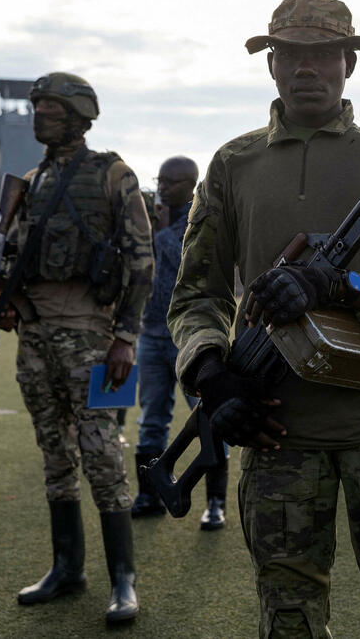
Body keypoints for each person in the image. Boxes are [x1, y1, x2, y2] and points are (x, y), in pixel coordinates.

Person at [167, 0, 360, 638]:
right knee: (289, 609)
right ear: (271, 65)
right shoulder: (232, 165)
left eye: (323, 53)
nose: (307, 68)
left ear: (348, 66)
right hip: (277, 432)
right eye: (292, 54)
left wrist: (343, 283)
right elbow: (197, 294)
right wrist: (212, 376)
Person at [5, 72, 153, 624]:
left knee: (103, 452)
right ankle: (67, 568)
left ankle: (124, 581)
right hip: (37, 337)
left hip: (97, 338)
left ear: (77, 115)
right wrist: (7, 300)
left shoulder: (113, 174)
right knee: (54, 453)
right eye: (36, 107)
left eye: (49, 107)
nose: (39, 115)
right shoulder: (30, 181)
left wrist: (127, 337)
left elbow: (143, 261)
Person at [131, 155, 230, 529]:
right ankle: (148, 494)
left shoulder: (198, 218)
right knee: (151, 419)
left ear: (191, 184)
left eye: (171, 182)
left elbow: (187, 265)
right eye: (160, 180)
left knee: (210, 419)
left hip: (190, 337)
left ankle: (215, 504)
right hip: (150, 334)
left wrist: (160, 232)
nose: (162, 187)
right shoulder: (153, 219)